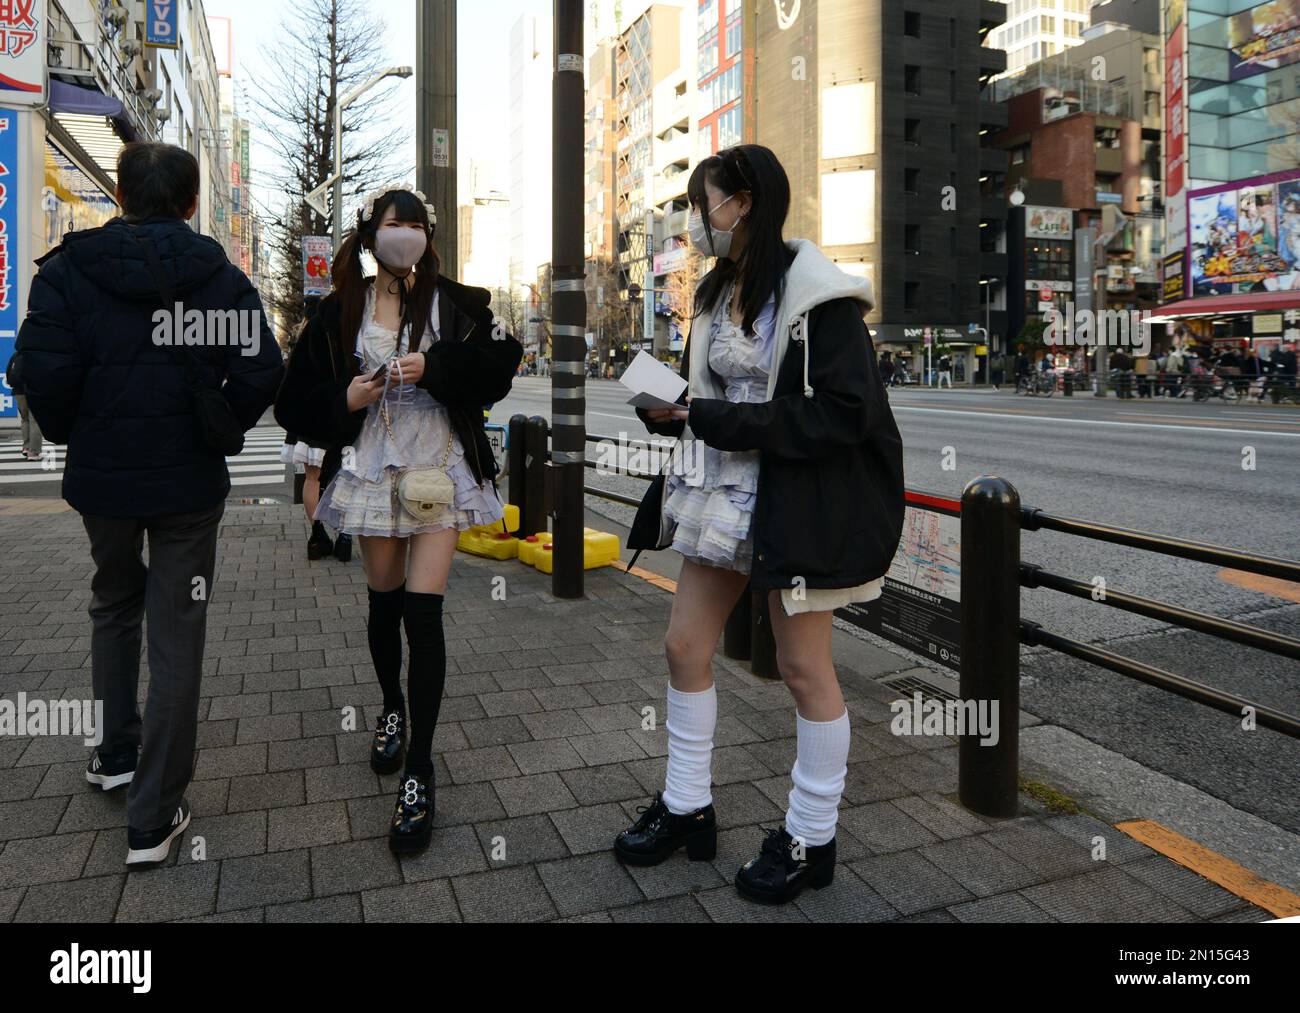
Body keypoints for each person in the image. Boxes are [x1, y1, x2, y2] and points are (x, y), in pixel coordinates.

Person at [615, 144, 904, 905]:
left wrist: (706, 414)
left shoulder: (820, 300)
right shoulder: (715, 293)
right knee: (683, 644)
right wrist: (670, 406)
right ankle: (686, 806)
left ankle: (810, 837)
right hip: (719, 493)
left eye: (698, 202)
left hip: (793, 502)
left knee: (804, 668)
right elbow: (706, 396)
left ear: (741, 202)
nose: (692, 219)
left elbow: (845, 413)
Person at [13, 142, 283, 865]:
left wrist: (81, 431)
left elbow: (44, 371)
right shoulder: (218, 279)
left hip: (103, 482)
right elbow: (264, 369)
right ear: (192, 203)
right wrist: (219, 423)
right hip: (187, 485)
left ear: (121, 195)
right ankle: (153, 812)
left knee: (112, 601)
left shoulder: (69, 271)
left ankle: (116, 751)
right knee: (178, 631)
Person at [274, 184, 523, 855]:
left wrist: (435, 367)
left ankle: (420, 767)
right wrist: (348, 396)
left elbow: (505, 359)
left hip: (439, 468)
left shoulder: (457, 302)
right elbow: (293, 399)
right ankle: (391, 707)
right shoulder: (337, 312)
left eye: (417, 223)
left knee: (424, 611)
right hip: (371, 466)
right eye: (395, 223)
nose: (407, 234)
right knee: (383, 602)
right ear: (371, 232)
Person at [280, 295, 351, 562]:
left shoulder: (301, 337)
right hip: (338, 414)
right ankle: (344, 535)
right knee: (345, 478)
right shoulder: (340, 333)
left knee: (312, 478)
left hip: (308, 420)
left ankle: (317, 535)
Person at [5, 351, 43, 460]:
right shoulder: (36, 355)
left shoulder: (16, 355)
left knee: (25, 419)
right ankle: (33, 452)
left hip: (18, 392)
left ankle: (26, 447)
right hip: (33, 391)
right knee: (35, 420)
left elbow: (8, 372)